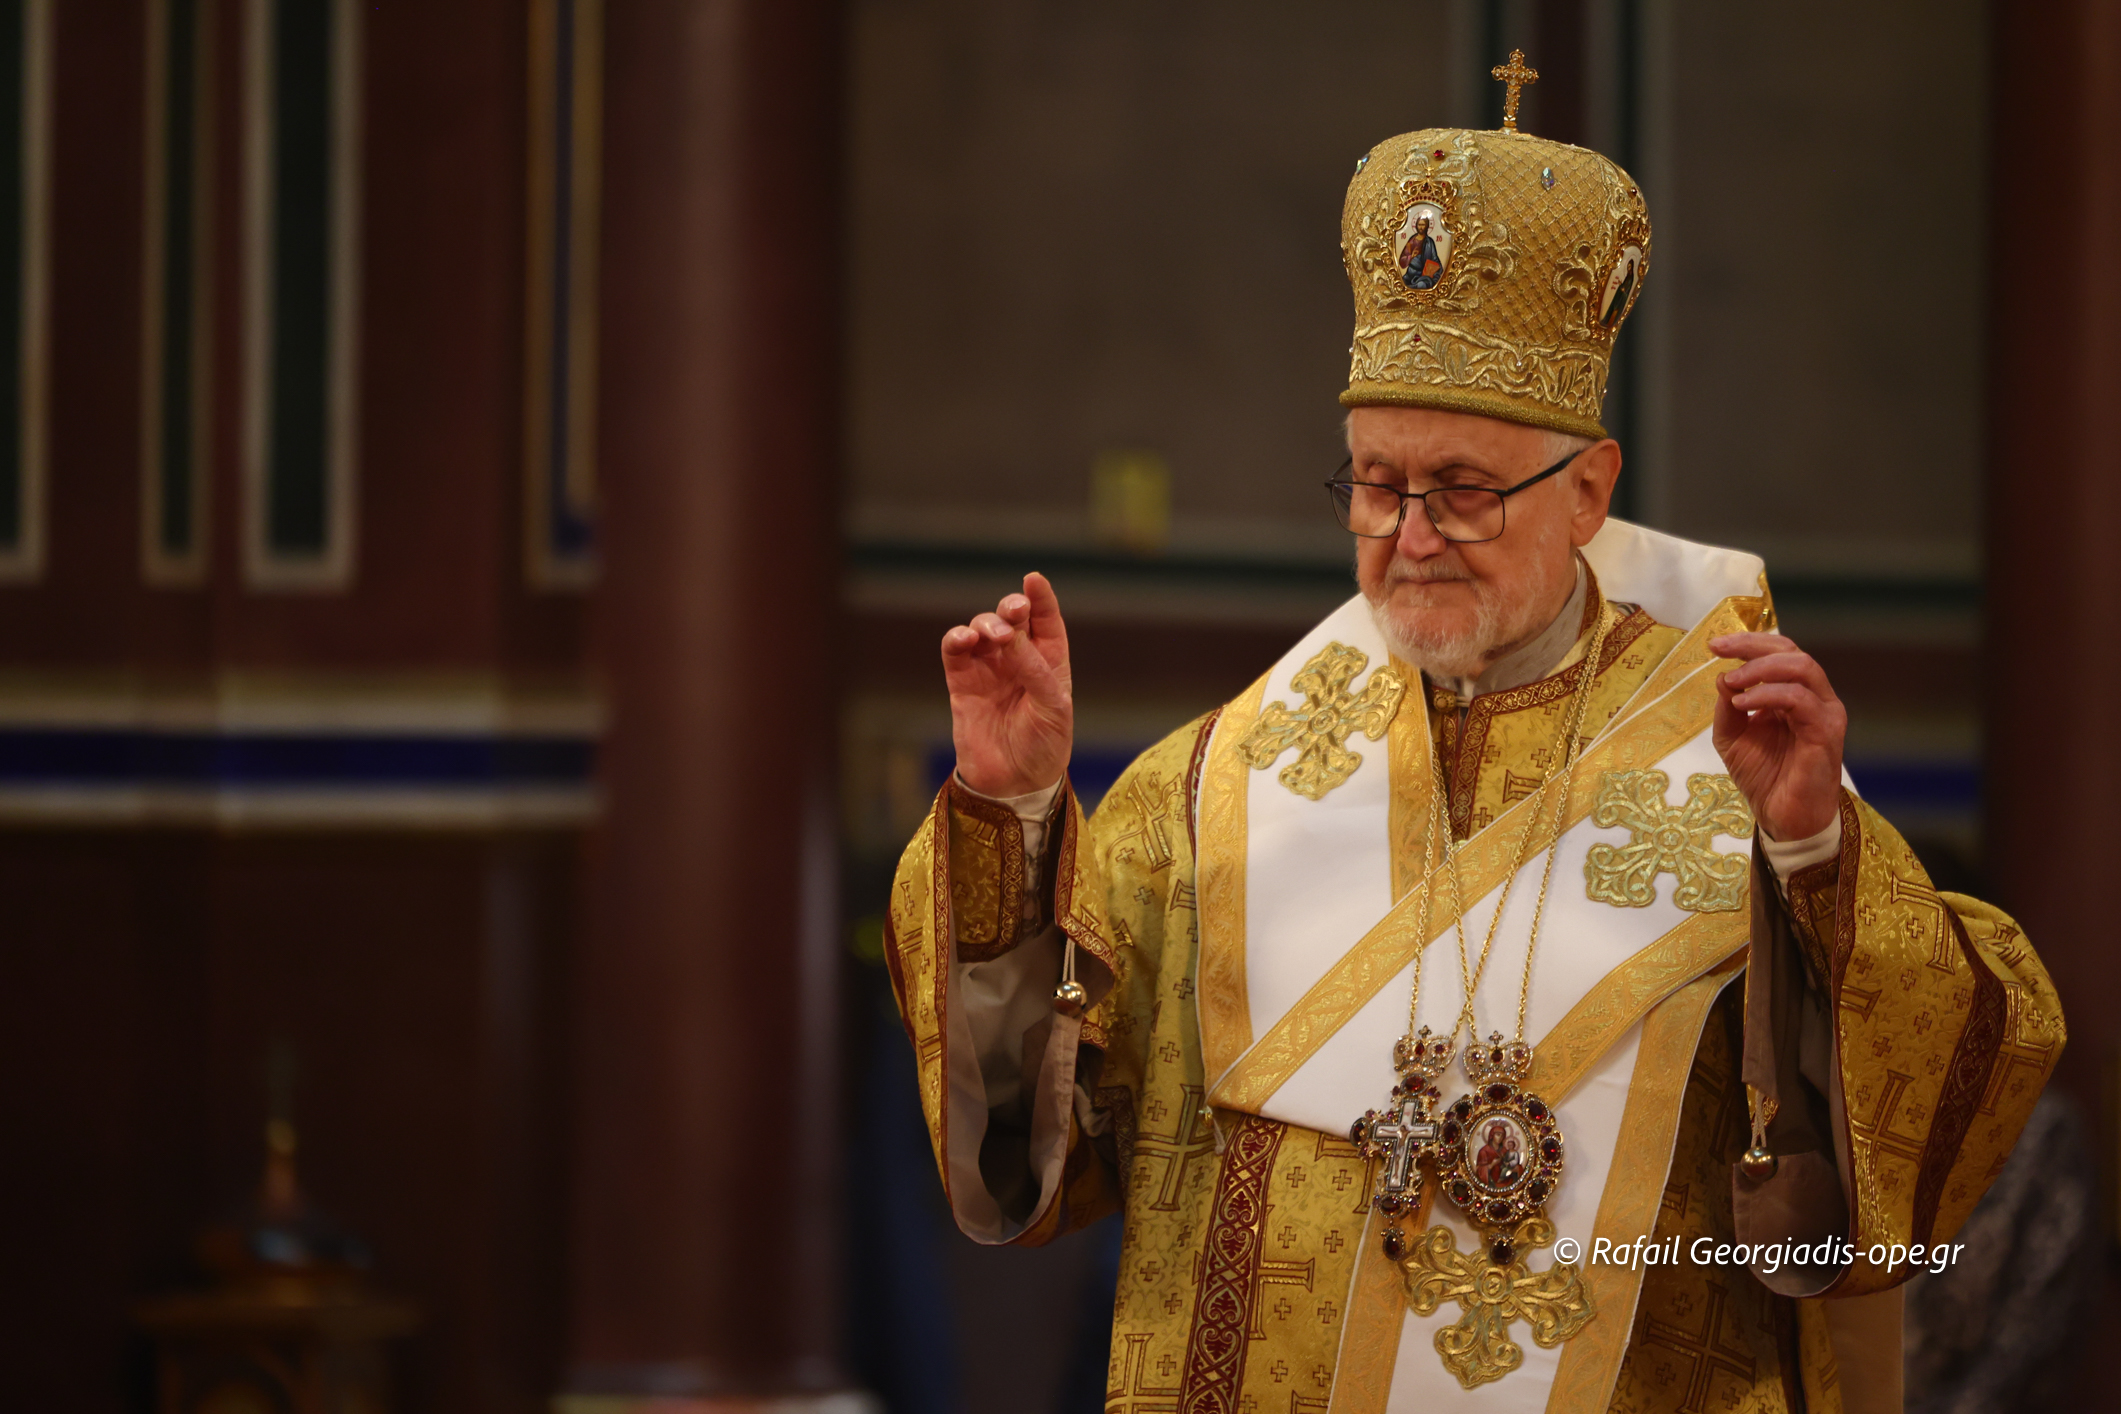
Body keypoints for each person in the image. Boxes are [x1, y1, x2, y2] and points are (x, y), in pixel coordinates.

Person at [883, 89, 2061, 1414]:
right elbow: (1029, 1164)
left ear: (1588, 490)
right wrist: (1015, 803)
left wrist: (1810, 850)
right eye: (1373, 483)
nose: (1408, 532)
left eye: (1460, 486)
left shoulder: (1736, 753)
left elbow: (1912, 1138)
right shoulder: (1205, 790)